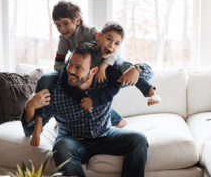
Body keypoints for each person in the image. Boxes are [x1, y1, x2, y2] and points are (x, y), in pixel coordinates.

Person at [21, 43, 148, 177]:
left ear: (94, 70)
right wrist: (30, 106)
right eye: (70, 64)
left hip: (105, 134)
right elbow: (28, 130)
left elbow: (148, 75)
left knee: (139, 139)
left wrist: (137, 69)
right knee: (61, 147)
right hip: (73, 141)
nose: (71, 71)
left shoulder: (106, 81)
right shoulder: (56, 91)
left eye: (78, 67)